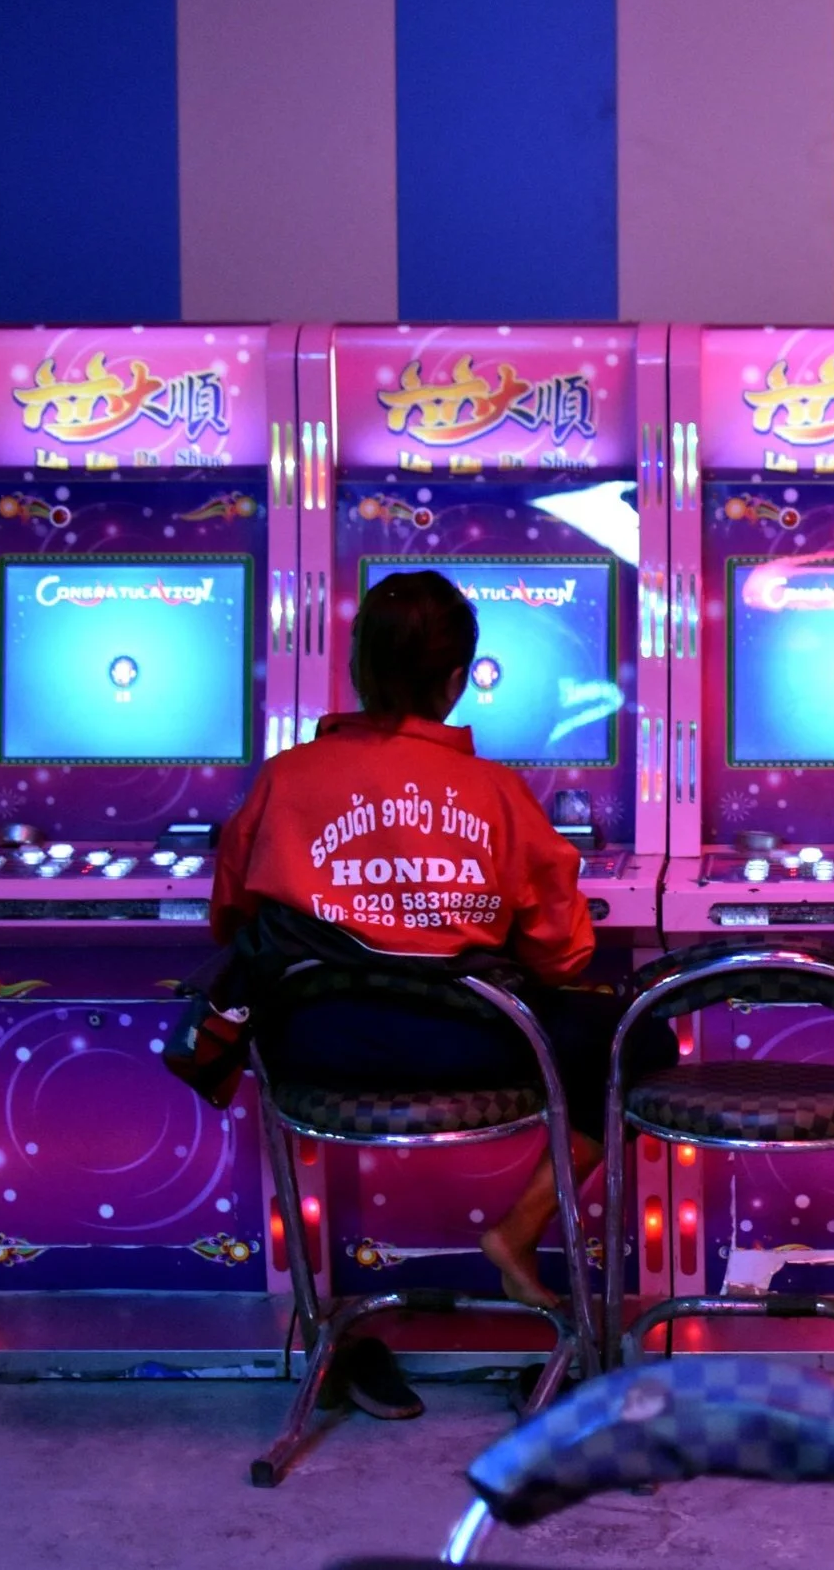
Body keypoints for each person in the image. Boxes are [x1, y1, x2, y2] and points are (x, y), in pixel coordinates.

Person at [210, 572, 672, 1393]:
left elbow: (230, 917)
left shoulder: (285, 779)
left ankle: (320, 1321)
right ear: (458, 679)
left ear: (356, 665)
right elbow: (564, 954)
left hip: (314, 1048)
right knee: (641, 1035)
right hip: (468, 1044)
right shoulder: (496, 792)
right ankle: (517, 1230)